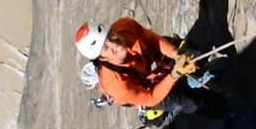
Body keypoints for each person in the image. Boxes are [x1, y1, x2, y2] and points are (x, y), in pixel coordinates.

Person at [74, 17, 212, 117]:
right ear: (101, 58)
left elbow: (151, 39)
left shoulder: (125, 27)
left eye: (110, 35)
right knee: (189, 102)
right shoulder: (117, 87)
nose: (114, 44)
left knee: (191, 54)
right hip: (144, 89)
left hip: (146, 60)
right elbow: (151, 97)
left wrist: (175, 53)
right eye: (105, 48)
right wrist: (174, 75)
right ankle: (219, 108)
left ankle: (205, 68)